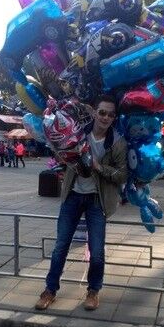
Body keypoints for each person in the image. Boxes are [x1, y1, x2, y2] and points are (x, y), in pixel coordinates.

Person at [35, 94, 127, 312]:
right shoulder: (76, 132)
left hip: (97, 200)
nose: (105, 117)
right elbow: (62, 155)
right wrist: (61, 152)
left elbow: (122, 175)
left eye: (110, 115)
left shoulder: (117, 142)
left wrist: (99, 167)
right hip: (73, 195)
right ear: (94, 112)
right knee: (60, 247)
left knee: (97, 252)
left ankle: (93, 291)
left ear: (114, 118)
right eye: (102, 112)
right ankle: (50, 291)